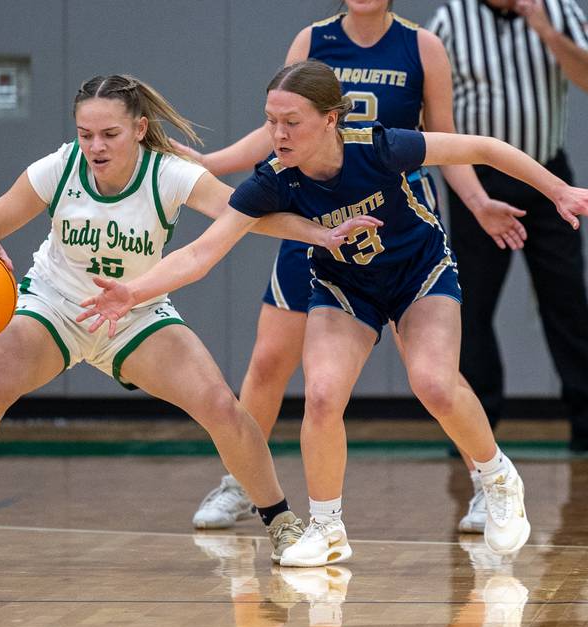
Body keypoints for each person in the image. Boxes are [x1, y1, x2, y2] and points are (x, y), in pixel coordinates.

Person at [77, 60, 588, 565]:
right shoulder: (274, 180)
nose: (278, 134)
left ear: (331, 120)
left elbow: (485, 148)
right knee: (321, 395)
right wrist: (135, 290)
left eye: (291, 122)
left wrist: (558, 190)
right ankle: (328, 529)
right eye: (270, 122)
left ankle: (498, 478)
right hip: (344, 285)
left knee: (432, 382)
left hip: (417, 274)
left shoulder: (379, 147)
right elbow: (200, 252)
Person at [0, 73, 380, 563]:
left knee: (221, 406)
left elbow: (243, 213)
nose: (95, 146)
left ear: (140, 128)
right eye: (86, 134)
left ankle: (281, 521)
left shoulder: (167, 173)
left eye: (109, 134)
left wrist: (320, 232)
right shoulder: (58, 169)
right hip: (57, 304)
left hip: (135, 311)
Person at [175, 0, 529, 536]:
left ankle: (488, 483)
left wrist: (477, 202)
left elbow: (448, 138)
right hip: (313, 216)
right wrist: (211, 162)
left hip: (391, 220)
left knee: (433, 374)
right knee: (270, 360)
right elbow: (277, 127)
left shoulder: (421, 46)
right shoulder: (312, 40)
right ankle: (242, 483)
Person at [426, 0, 588, 458]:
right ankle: (477, 428)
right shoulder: (449, 19)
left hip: (548, 179)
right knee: (471, 306)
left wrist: (544, 27)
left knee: (568, 301)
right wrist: (474, 195)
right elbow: (433, 113)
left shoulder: (558, 10)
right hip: (479, 183)